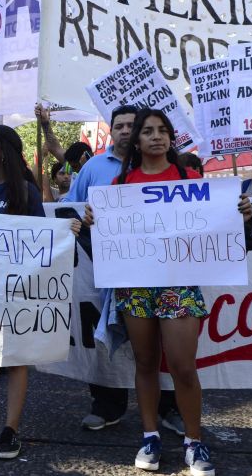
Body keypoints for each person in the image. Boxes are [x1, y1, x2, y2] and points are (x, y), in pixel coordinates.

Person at [111, 109, 252, 476]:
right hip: (136, 285)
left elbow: (215, 225)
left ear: (171, 138)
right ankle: (150, 436)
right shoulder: (121, 184)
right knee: (145, 363)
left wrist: (239, 213)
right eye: (148, 131)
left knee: (183, 366)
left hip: (180, 284)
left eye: (162, 130)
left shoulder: (190, 179)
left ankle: (193, 440)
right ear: (136, 141)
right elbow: (111, 233)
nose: (156, 136)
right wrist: (95, 220)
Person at [0, 124, 81, 459]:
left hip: (16, 289)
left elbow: (41, 238)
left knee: (16, 358)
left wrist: (64, 231)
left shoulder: (25, 192)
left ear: (4, 152)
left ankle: (10, 429)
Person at [64, 105, 166, 433]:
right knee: (105, 339)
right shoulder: (93, 167)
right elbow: (70, 209)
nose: (124, 130)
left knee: (161, 343)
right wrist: (83, 217)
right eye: (118, 125)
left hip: (159, 271)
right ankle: (107, 405)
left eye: (130, 125)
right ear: (111, 130)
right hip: (105, 272)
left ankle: (170, 408)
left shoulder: (159, 164)